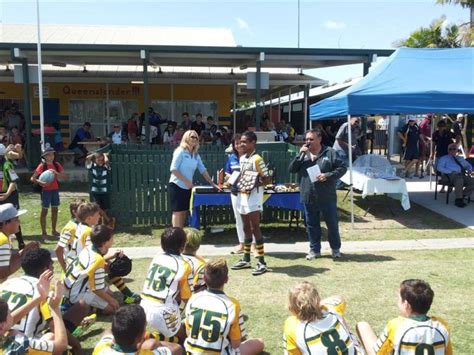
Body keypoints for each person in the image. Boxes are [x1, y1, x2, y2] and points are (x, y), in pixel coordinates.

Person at [184, 259, 265, 355]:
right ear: (226, 279)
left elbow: (188, 333)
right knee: (259, 343)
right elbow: (236, 344)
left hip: (191, 352)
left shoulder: (194, 298)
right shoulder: (232, 305)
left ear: (204, 279)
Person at [289, 128, 347, 260]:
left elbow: (342, 168)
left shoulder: (330, 152)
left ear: (319, 139)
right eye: (306, 139)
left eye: (311, 139)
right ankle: (315, 250)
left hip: (326, 195)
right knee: (311, 224)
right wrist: (299, 156)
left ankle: (335, 249)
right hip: (309, 195)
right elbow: (291, 169)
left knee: (332, 224)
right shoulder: (303, 155)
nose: (308, 142)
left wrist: (327, 175)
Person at [357, 279, 452, 355]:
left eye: (398, 298)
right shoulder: (442, 325)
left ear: (406, 304)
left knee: (362, 326)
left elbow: (379, 353)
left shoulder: (396, 325)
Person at [231, 131, 271, 276]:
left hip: (254, 197)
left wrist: (255, 183)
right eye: (241, 141)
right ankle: (246, 258)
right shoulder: (242, 158)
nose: (242, 144)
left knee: (255, 227)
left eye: (245, 142)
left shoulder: (257, 159)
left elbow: (267, 179)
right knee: (245, 227)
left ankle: (261, 261)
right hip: (242, 195)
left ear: (253, 143)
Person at [140, 227, 192, 340]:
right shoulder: (184, 265)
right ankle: (150, 337)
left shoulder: (157, 256)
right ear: (182, 247)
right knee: (183, 337)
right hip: (162, 309)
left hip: (144, 305)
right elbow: (186, 297)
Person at [283, 281, 362, 354]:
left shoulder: (292, 325)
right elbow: (340, 299)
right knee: (362, 326)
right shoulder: (331, 309)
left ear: (291, 306)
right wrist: (318, 304)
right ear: (318, 300)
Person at [0, 272, 68, 355]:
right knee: (51, 340)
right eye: (9, 313)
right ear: (2, 326)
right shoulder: (18, 345)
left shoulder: (3, 331)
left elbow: (10, 321)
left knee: (49, 337)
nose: (12, 314)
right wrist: (55, 309)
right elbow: (61, 345)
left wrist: (39, 298)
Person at [64, 224, 121, 315]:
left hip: (70, 287)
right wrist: (112, 301)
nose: (113, 240)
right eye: (111, 238)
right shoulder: (98, 260)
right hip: (75, 294)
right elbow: (96, 289)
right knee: (112, 308)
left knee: (110, 294)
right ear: (105, 243)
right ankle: (83, 308)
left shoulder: (89, 247)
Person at [169, 130, 219, 228]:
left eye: (196, 137)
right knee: (178, 212)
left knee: (184, 211)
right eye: (192, 137)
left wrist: (212, 183)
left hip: (187, 187)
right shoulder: (180, 151)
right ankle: (176, 235)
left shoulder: (196, 155)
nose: (194, 139)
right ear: (186, 138)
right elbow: (173, 169)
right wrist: (186, 181)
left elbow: (203, 169)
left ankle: (181, 234)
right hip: (177, 185)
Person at [93, 304, 182, 355]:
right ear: (140, 336)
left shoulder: (100, 348)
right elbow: (177, 348)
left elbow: (107, 332)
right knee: (152, 343)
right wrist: (152, 340)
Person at [224, 134, 255, 255]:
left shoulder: (251, 157)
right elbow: (227, 173)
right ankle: (242, 243)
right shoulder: (231, 158)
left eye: (241, 143)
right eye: (236, 143)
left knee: (250, 219)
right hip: (235, 192)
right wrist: (231, 177)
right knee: (238, 218)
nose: (239, 145)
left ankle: (252, 244)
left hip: (248, 192)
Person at [30, 147, 67, 240]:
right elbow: (32, 178)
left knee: (55, 210)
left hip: (55, 190)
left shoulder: (57, 165)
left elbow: (65, 177)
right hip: (45, 191)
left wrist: (56, 173)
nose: (51, 156)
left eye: (52, 154)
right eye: (49, 155)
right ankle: (44, 232)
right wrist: (41, 183)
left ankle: (54, 230)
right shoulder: (42, 166)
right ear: (45, 156)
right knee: (44, 211)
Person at [0, 203, 38, 282]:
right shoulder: (2, 240)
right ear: (5, 223)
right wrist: (25, 256)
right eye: (16, 219)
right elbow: (2, 273)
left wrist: (24, 251)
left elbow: (7, 259)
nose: (19, 222)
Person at [0, 144, 25, 249]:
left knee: (13, 218)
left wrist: (7, 194)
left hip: (10, 195)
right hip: (2, 195)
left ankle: (20, 243)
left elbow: (13, 181)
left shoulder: (7, 165)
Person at [436, 143, 474, 208]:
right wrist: (450, 171)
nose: (452, 150)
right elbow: (439, 167)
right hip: (449, 175)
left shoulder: (460, 158)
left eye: (454, 149)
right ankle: (458, 200)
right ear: (448, 150)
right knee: (459, 180)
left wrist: (469, 169)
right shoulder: (444, 158)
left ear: (457, 150)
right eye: (450, 149)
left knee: (472, 181)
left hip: (461, 174)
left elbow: (468, 165)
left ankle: (462, 195)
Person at [54, 199, 83, 272]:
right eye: (82, 209)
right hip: (74, 267)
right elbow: (58, 249)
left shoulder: (84, 225)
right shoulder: (70, 229)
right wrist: (65, 268)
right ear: (74, 212)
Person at [86, 152, 113, 223]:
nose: (100, 162)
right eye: (98, 160)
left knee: (105, 208)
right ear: (95, 160)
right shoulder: (92, 166)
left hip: (105, 191)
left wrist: (104, 155)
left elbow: (107, 161)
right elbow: (88, 158)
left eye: (102, 160)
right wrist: (94, 155)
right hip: (96, 191)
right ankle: (107, 220)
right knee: (97, 207)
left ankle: (103, 222)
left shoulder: (105, 167)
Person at [182, 227, 206, 293]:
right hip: (190, 296)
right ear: (198, 246)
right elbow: (198, 285)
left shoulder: (174, 258)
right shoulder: (201, 263)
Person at [418, 114, 432, 178]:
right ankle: (419, 171)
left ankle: (428, 171)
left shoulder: (430, 123)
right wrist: (425, 141)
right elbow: (420, 134)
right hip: (423, 143)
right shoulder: (423, 123)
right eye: (430, 117)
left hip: (428, 142)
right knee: (421, 157)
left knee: (428, 156)